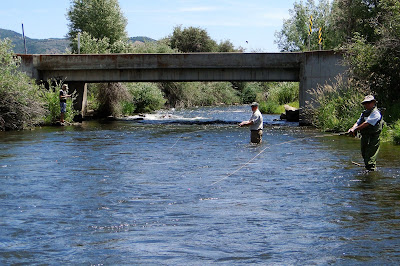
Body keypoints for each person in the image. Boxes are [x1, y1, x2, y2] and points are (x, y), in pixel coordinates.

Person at [347, 95, 384, 171]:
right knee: (364, 155)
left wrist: (355, 129)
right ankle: (368, 170)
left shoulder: (376, 113)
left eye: (369, 102)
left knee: (370, 158)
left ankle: (371, 175)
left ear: (373, 103)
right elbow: (358, 122)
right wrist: (352, 128)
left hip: (373, 138)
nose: (367, 104)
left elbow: (366, 123)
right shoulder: (364, 113)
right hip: (365, 137)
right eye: (365, 103)